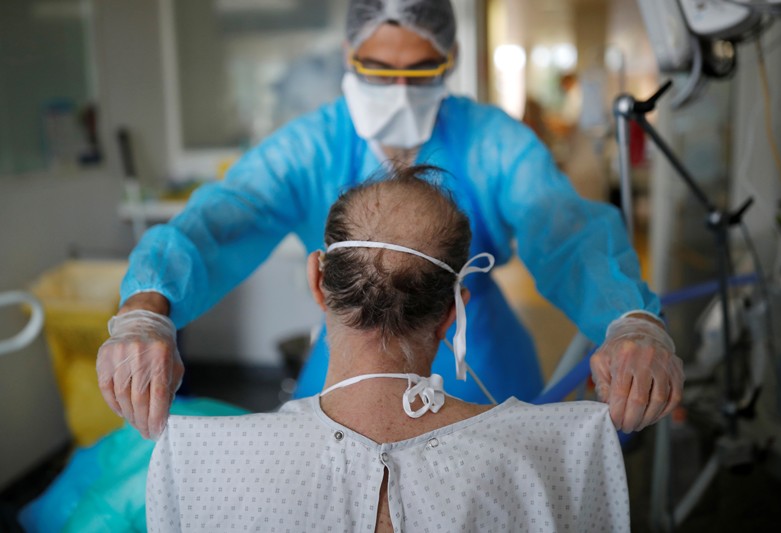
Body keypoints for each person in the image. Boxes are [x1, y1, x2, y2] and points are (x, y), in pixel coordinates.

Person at [97, 0, 683, 441]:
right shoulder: (310, 147)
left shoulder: (493, 141)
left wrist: (627, 319)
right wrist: (147, 309)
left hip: (478, 357)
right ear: (348, 58)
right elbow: (220, 219)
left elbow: (565, 228)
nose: (400, 92)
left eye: (422, 73)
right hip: (350, 352)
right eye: (378, 70)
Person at [146, 167, 631, 532]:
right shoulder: (559, 456)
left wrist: (142, 308)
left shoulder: (202, 462)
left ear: (317, 280)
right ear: (453, 311)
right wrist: (635, 322)